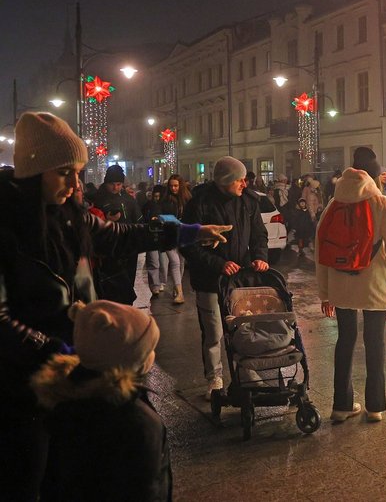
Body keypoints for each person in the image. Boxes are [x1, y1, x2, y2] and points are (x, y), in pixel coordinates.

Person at [0, 112, 229, 499]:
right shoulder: (7, 226)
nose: (76, 184)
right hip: (24, 388)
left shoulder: (70, 217)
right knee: (29, 477)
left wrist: (187, 232)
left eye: (78, 172)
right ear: (33, 171)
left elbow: (122, 235)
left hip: (76, 373)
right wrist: (55, 351)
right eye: (63, 173)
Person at [31, 300, 170, 501]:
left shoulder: (66, 401)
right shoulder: (139, 421)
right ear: (125, 361)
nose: (152, 355)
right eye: (147, 350)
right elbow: (148, 490)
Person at [315, 147, 386, 423]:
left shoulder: (333, 205)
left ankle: (341, 405)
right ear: (375, 175)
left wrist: (325, 292)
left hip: (340, 285)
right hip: (374, 283)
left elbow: (321, 251)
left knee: (345, 340)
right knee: (375, 342)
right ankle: (375, 406)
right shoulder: (380, 203)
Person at [181, 156, 269, 399]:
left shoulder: (249, 201)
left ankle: (247, 370)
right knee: (213, 331)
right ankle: (215, 378)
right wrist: (219, 264)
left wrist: (260, 257)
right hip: (209, 280)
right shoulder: (199, 203)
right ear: (225, 181)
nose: (245, 183)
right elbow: (187, 244)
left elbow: (259, 235)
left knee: (244, 327)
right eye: (239, 180)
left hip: (240, 280)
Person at [95, 164, 143, 305]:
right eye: (112, 184)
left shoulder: (129, 199)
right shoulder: (99, 199)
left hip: (128, 247)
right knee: (113, 286)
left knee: (128, 281)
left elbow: (139, 220)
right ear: (106, 183)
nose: (116, 188)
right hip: (110, 248)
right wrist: (107, 220)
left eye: (119, 184)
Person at [161, 174, 190, 304]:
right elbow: (162, 215)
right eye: (171, 186)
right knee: (175, 262)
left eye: (176, 186)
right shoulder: (165, 200)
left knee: (181, 262)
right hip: (169, 235)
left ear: (181, 186)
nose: (173, 188)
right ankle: (180, 292)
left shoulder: (187, 199)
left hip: (184, 235)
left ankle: (176, 287)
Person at [142, 184, 174, 298]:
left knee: (163, 262)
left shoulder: (166, 206)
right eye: (155, 196)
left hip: (162, 236)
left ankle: (161, 282)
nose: (157, 198)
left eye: (158, 196)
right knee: (153, 261)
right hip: (151, 236)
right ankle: (155, 285)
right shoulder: (148, 206)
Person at [287, 197, 315, 265]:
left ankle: (307, 248)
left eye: (303, 203)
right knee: (300, 240)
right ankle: (300, 250)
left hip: (306, 228)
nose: (302, 204)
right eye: (301, 203)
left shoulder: (307, 211)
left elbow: (310, 220)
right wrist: (295, 227)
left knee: (306, 239)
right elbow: (296, 220)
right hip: (300, 229)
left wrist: (311, 226)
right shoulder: (298, 212)